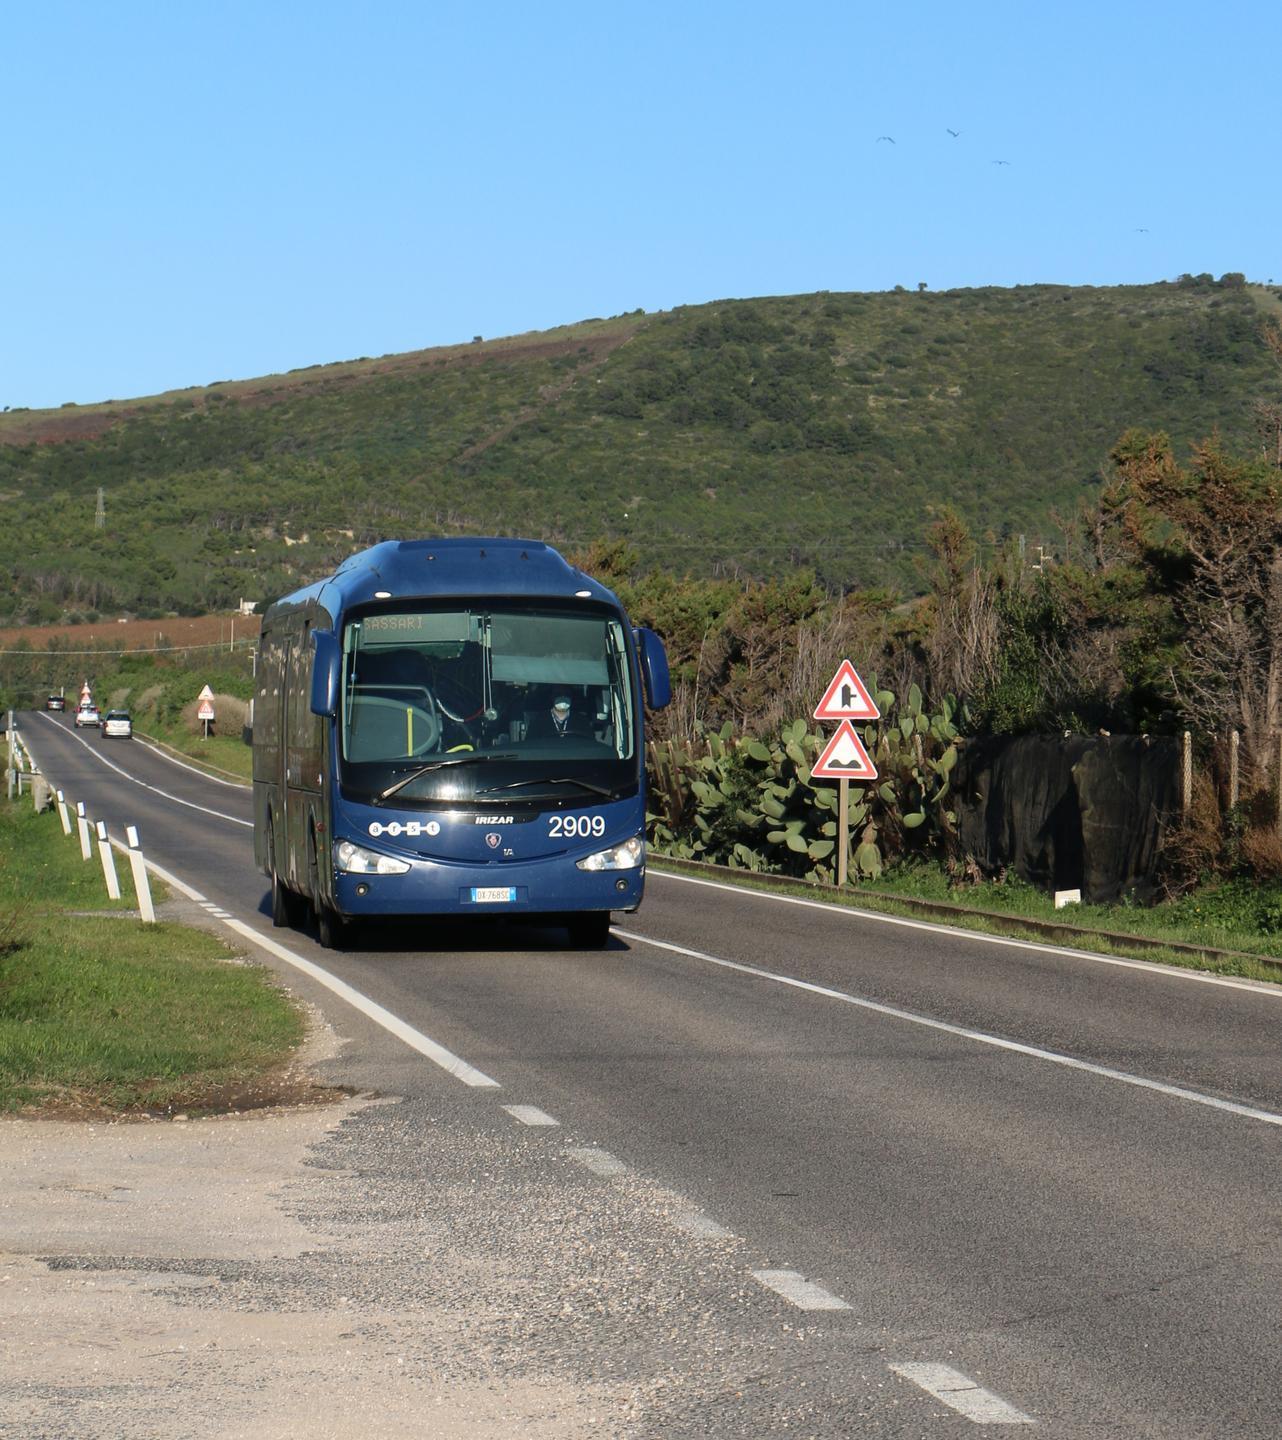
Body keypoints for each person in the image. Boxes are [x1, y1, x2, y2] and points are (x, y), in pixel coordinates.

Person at [527, 692, 592, 741]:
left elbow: (591, 744)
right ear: (552, 699)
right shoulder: (538, 721)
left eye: (566, 696)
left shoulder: (582, 721)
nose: (563, 699)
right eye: (559, 695)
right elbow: (530, 745)